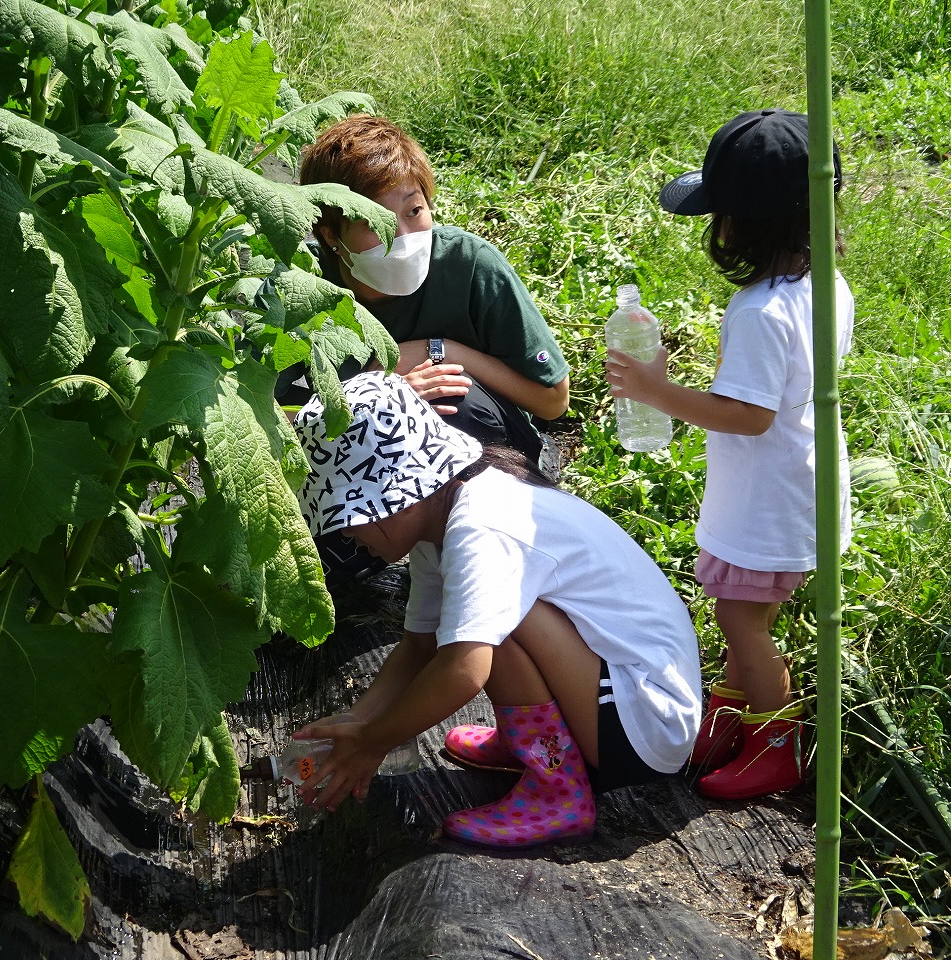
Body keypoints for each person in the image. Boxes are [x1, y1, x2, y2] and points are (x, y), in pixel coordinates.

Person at [289, 372, 702, 848]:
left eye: (348, 516)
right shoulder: (440, 520)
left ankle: (556, 788)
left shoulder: (482, 526)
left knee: (489, 626)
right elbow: (419, 645)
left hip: (645, 724)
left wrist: (374, 742)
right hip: (611, 695)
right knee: (470, 618)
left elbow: (462, 672)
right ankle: (530, 740)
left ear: (398, 494)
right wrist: (362, 721)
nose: (345, 534)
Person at [604, 108, 853, 801]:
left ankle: (777, 742)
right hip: (802, 486)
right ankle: (731, 715)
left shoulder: (759, 313)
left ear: (740, 226)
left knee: (739, 618)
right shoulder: (826, 283)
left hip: (765, 501)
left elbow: (749, 415)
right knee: (752, 613)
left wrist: (656, 390)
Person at [287, 114, 571, 585]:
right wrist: (386, 397)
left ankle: (486, 546)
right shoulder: (300, 284)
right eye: (375, 222)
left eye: (414, 211)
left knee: (453, 398)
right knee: (320, 571)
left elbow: (552, 399)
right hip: (356, 474)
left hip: (485, 444)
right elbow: (276, 420)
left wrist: (442, 350)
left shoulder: (470, 265)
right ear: (331, 235)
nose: (403, 235)